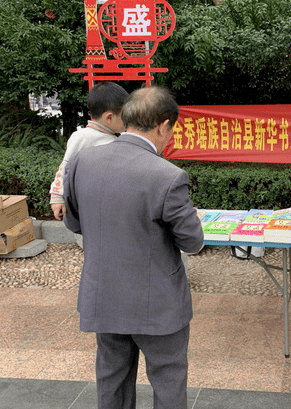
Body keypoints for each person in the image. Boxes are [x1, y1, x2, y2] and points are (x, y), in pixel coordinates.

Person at [63, 86, 204, 409]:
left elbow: (73, 222)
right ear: (163, 126)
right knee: (168, 380)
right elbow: (192, 241)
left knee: (112, 379)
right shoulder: (168, 176)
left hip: (104, 295)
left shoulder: (84, 160)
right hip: (158, 303)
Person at [49, 81, 128, 221]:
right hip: (90, 206)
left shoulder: (117, 137)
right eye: (125, 117)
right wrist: (57, 196)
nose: (128, 121)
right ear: (109, 117)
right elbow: (66, 167)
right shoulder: (83, 137)